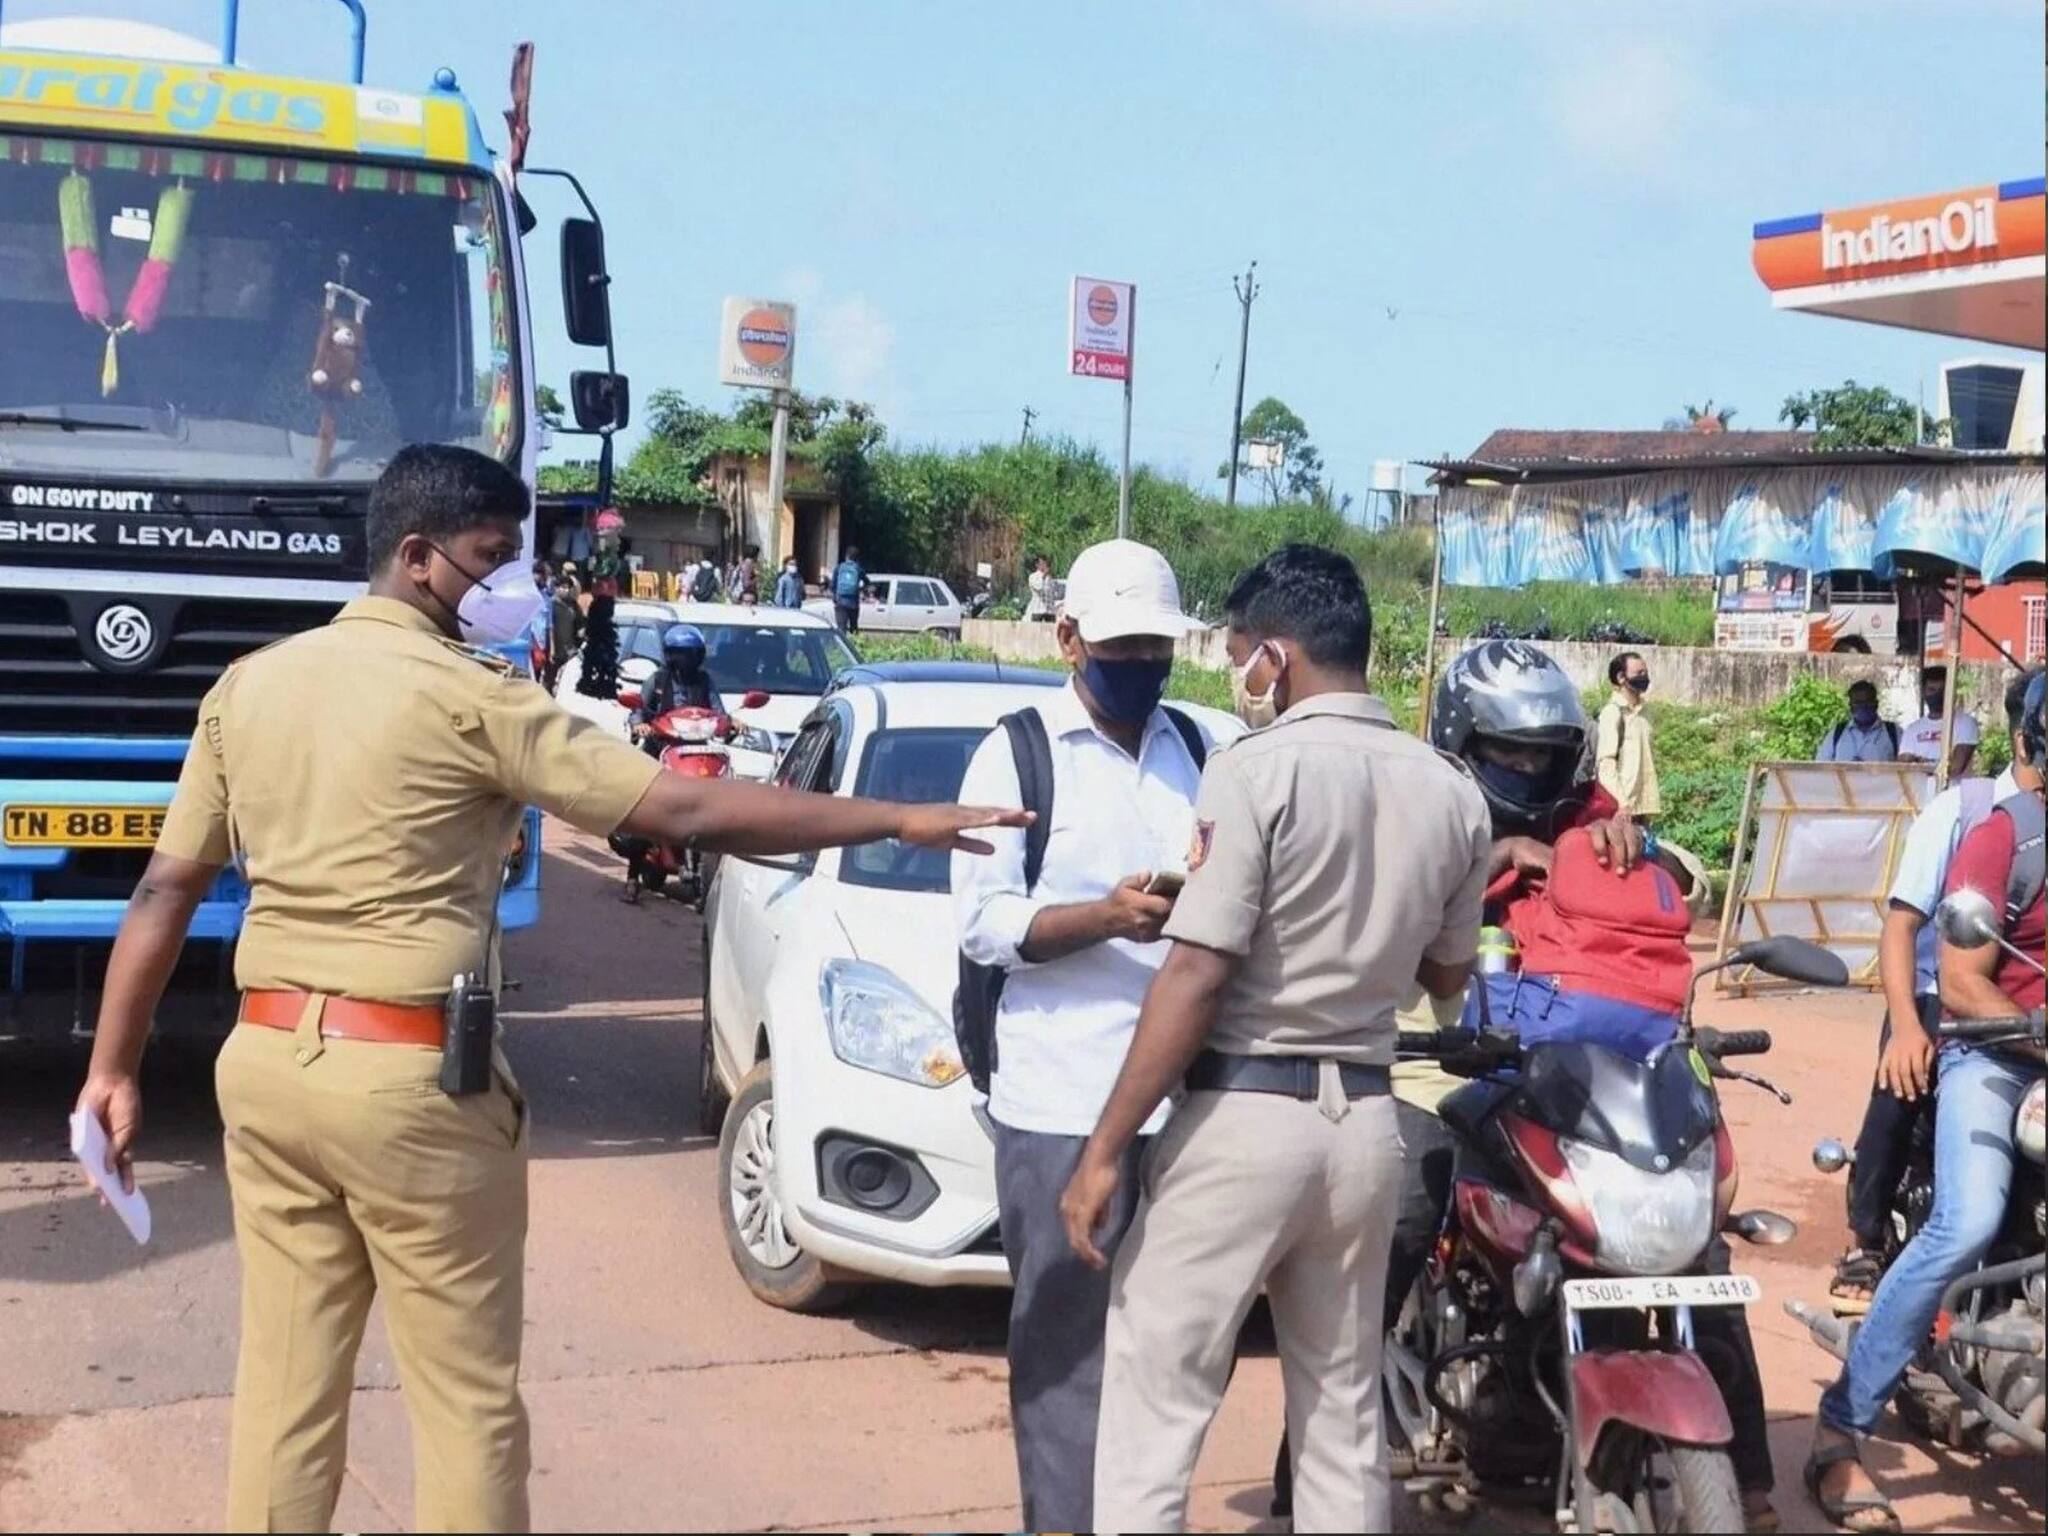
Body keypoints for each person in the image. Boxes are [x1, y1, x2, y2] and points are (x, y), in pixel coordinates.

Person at [68, 444, 1027, 1535]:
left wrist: (111, 1069)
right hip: (412, 1084)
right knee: (466, 1404)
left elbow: (161, 891)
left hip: (269, 1067)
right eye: (491, 559)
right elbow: (686, 813)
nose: (512, 585)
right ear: (417, 557)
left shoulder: (252, 687)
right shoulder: (472, 700)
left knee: (286, 1394)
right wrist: (902, 819)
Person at [1269, 637, 1775, 1530]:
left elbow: (1672, 883)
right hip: (1439, 1070)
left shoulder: (1591, 807)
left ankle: (1754, 1481)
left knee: (1691, 1245)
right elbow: (1377, 909)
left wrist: (1633, 841)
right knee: (1402, 1220)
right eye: (1509, 753)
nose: (1530, 771)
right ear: (1465, 745)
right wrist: (1491, 854)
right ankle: (1300, 1474)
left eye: (1545, 754)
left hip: (1581, 1078)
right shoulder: (1418, 798)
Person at [1059, 544, 1493, 1534]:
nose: (1234, 675)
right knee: (1339, 1411)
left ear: (1277, 658)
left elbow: (1197, 969)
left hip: (1243, 1116)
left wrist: (1103, 1148)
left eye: (1241, 653)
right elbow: (1444, 976)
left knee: (1154, 1395)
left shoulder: (1252, 771)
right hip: (1365, 1128)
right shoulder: (1449, 789)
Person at [950, 538, 1211, 1534]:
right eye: (1122, 646)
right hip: (1061, 1099)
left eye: (1156, 647)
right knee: (1064, 1351)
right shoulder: (1015, 751)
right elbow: (982, 925)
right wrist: (1101, 917)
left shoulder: (1192, 748)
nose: (1142, 664)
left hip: (1178, 1102)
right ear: (1066, 638)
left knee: (1164, 1350)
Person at [1808, 671, 2045, 1533]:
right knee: (1968, 1218)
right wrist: (1922, 1026)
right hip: (1996, 1055)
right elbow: (1953, 969)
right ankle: (1841, 1429)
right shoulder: (1993, 833)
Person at [1826, 667, 2040, 1314]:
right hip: (1934, 993)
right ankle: (1865, 1240)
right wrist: (1908, 1025)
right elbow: (1901, 925)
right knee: (1901, 1087)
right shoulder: (1964, 810)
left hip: (2024, 1005)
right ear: (2021, 739)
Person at [631, 624, 724, 745]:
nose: (686, 660)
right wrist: (639, 724)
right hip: (661, 744)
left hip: (696, 744)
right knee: (644, 763)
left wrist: (731, 722)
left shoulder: (704, 680)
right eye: (680, 654)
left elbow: (719, 712)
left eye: (691, 654)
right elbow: (639, 709)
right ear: (670, 655)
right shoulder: (657, 680)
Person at [1595, 650, 1661, 820]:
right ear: (1621, 678)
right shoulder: (1613, 713)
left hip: (1642, 807)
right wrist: (1622, 803)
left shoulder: (1646, 712)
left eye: (1645, 673)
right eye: (1639, 673)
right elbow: (1606, 766)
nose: (1644, 677)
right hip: (1620, 810)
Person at [1898, 664, 1980, 778]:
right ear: (1923, 693)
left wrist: (1920, 763)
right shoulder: (1912, 729)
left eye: (1942, 691)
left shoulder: (1966, 723)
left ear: (1951, 692)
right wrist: (1933, 765)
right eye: (1932, 690)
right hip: (1918, 793)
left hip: (1953, 793)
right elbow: (1904, 767)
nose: (1937, 695)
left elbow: (1955, 768)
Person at [1817, 680, 1899, 763]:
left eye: (1867, 702)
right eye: (1858, 703)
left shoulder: (1893, 733)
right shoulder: (1837, 733)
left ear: (1876, 704)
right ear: (1850, 705)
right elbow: (1821, 767)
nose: (1863, 707)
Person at [546, 577, 582, 694]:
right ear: (556, 588)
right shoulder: (550, 604)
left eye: (568, 588)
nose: (566, 590)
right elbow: (548, 627)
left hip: (570, 650)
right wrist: (551, 648)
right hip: (554, 649)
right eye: (563, 587)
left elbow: (580, 624)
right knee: (549, 681)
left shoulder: (573, 605)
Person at [831, 545, 868, 633]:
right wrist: (860, 589)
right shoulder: (858, 569)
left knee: (841, 629)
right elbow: (867, 582)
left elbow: (832, 585)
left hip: (840, 602)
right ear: (857, 558)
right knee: (853, 627)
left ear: (846, 556)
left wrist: (835, 596)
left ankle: (841, 646)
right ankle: (853, 644)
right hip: (853, 603)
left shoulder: (839, 567)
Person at [1026, 555, 1056, 622]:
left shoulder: (1049, 577)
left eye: (1045, 563)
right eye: (1042, 563)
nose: (1044, 565)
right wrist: (1044, 576)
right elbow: (1038, 587)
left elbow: (1052, 593)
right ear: (1037, 565)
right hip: (1038, 610)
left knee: (1050, 631)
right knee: (1036, 630)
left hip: (1050, 611)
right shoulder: (1033, 576)